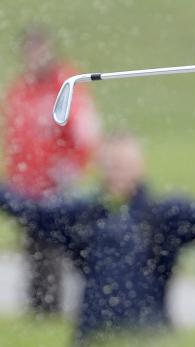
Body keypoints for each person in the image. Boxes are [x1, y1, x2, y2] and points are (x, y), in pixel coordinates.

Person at [0, 132, 195, 345]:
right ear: (99, 168)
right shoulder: (81, 215)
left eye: (124, 164)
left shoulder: (164, 216)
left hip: (149, 334)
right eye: (111, 165)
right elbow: (30, 211)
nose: (117, 172)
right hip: (92, 336)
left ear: (141, 166)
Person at [1, 24, 101, 314]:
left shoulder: (66, 85)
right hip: (26, 185)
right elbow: (14, 135)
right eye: (29, 51)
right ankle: (38, 308)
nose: (34, 57)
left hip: (57, 185)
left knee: (56, 246)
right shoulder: (19, 90)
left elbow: (86, 133)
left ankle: (53, 308)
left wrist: (70, 168)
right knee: (33, 248)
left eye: (39, 50)